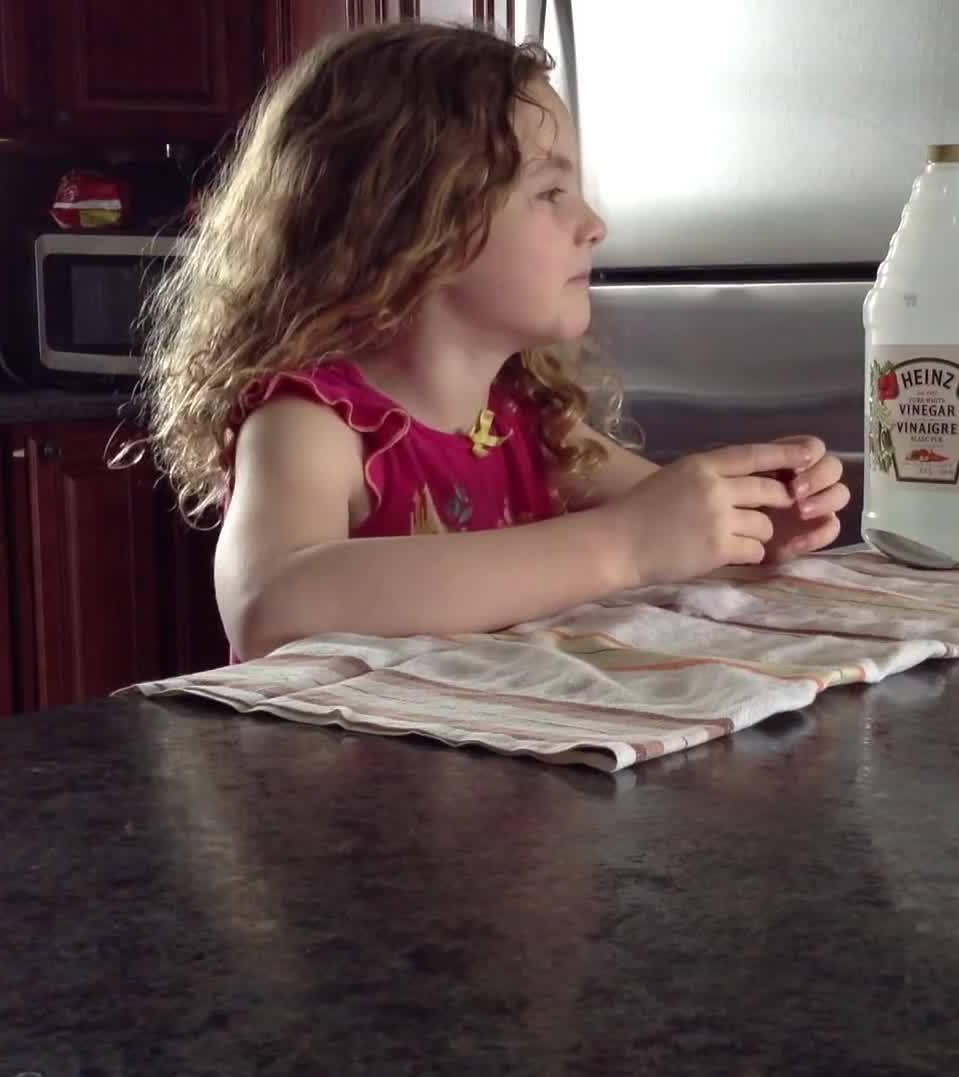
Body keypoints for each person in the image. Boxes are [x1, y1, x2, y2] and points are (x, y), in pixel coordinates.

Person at [141, 23, 849, 661]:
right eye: (550, 193)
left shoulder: (528, 424)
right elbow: (270, 606)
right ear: (417, 223)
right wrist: (622, 546)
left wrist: (755, 521)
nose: (594, 224)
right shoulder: (313, 423)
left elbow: (666, 524)